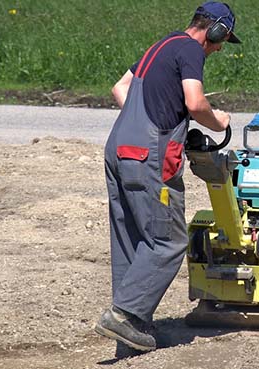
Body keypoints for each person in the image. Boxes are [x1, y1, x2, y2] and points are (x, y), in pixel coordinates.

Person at [95, 2, 241, 352]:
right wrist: (219, 121)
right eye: (222, 40)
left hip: (118, 149)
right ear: (216, 30)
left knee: (132, 238)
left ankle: (130, 331)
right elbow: (194, 103)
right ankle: (125, 315)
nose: (220, 48)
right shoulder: (191, 49)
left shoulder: (161, 45)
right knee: (169, 240)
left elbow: (120, 88)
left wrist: (144, 121)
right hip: (150, 156)